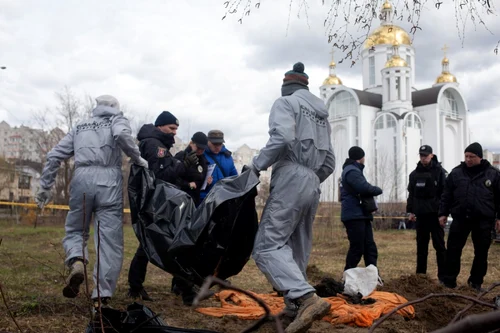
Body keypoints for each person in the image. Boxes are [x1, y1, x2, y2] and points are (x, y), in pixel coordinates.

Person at [35, 95, 148, 308]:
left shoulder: (80, 126)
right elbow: (122, 135)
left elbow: (53, 156)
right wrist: (137, 157)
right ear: (116, 107)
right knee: (109, 241)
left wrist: (45, 188)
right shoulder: (118, 120)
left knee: (76, 229)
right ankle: (101, 296)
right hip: (109, 182)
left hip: (81, 180)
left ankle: (77, 260)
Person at [249, 62, 335, 333]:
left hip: (291, 176)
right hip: (312, 180)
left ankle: (306, 299)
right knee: (297, 246)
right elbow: (330, 162)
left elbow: (283, 137)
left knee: (267, 245)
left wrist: (256, 165)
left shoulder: (285, 103)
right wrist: (310, 179)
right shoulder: (322, 115)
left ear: (287, 87)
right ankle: (293, 307)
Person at [127, 111, 198, 303]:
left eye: (176, 129)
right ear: (160, 126)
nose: (174, 132)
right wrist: (183, 165)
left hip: (156, 200)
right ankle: (186, 290)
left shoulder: (156, 143)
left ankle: (136, 285)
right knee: (169, 243)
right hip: (156, 202)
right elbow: (162, 175)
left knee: (152, 243)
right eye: (171, 128)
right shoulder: (154, 144)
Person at [439, 142, 500, 291]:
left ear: (479, 157)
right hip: (460, 219)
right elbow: (446, 195)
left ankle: (475, 282)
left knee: (481, 252)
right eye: (466, 156)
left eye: (471, 156)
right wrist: (443, 213)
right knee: (453, 250)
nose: (468, 159)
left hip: (483, 220)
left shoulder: (493, 174)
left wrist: (499, 218)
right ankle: (449, 281)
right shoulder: (456, 173)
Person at [406, 145, 447, 281]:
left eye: (426, 155)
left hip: (435, 216)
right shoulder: (414, 174)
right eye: (421, 155)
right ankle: (420, 277)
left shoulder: (440, 172)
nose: (423, 158)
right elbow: (411, 194)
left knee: (440, 246)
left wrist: (443, 213)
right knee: (421, 247)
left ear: (432, 155)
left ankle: (443, 277)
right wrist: (411, 211)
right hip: (421, 216)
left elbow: (445, 194)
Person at [340, 146, 383, 272]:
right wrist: (377, 190)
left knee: (369, 247)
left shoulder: (353, 170)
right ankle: (347, 276)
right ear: (361, 158)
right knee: (357, 248)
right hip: (354, 215)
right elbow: (363, 188)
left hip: (360, 214)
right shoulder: (352, 171)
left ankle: (373, 275)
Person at [199, 130, 238, 200]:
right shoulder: (200, 155)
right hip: (205, 200)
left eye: (219, 144)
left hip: (223, 200)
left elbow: (235, 179)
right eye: (214, 144)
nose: (217, 147)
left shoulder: (228, 157)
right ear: (208, 142)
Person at [175, 132, 209, 206]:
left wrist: (207, 182)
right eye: (198, 147)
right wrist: (187, 185)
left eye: (203, 149)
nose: (200, 151)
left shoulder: (203, 160)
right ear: (191, 143)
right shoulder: (181, 156)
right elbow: (173, 176)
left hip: (194, 200)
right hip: (180, 198)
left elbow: (200, 180)